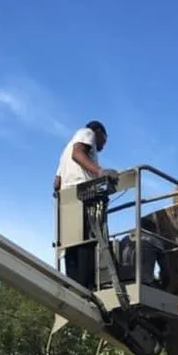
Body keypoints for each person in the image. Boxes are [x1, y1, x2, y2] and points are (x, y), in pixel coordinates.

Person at [53, 121, 118, 290]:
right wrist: (99, 172)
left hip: (67, 199)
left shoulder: (63, 154)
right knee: (88, 241)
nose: (104, 143)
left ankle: (73, 286)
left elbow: (56, 182)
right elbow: (78, 153)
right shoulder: (87, 133)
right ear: (99, 132)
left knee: (71, 245)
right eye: (105, 139)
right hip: (84, 193)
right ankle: (86, 287)